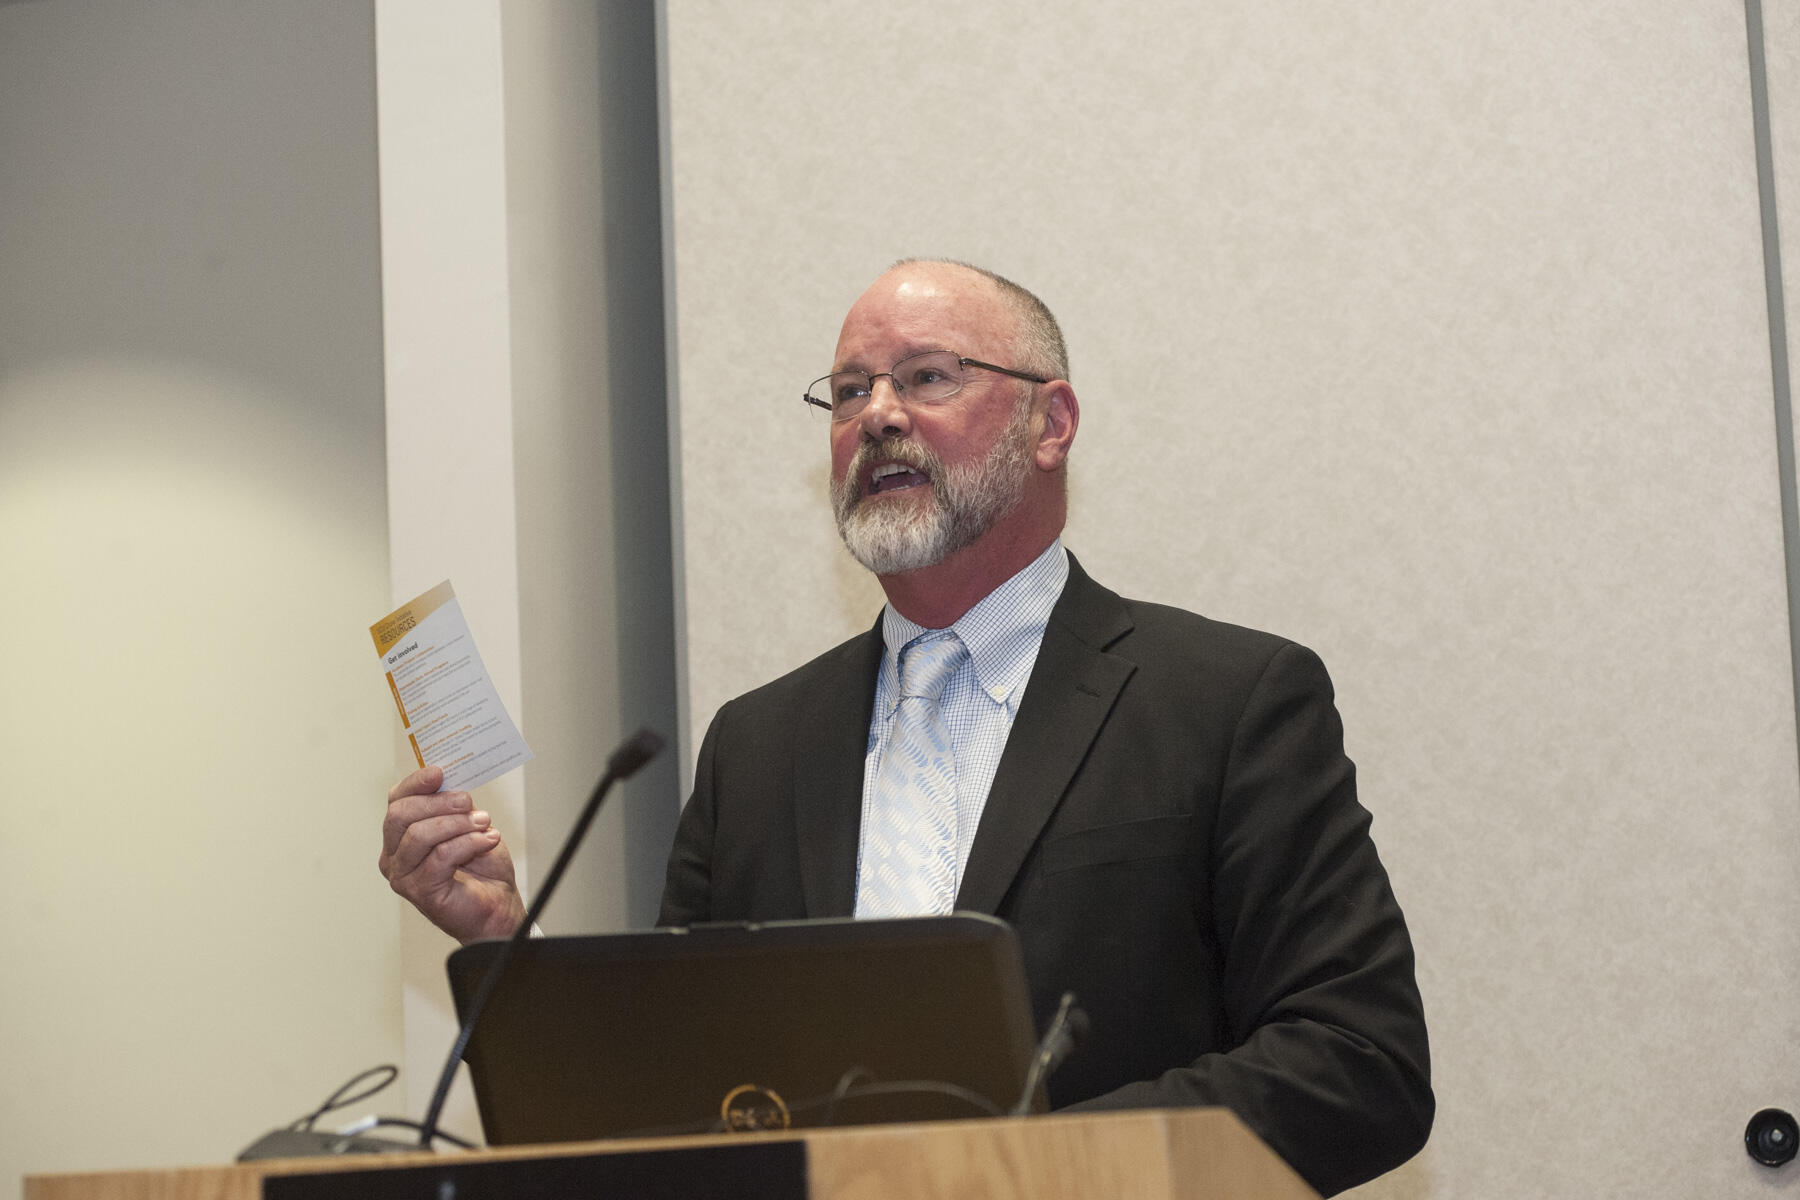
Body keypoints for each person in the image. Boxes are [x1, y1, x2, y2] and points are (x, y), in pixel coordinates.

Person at [381, 259, 1433, 1195]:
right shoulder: (757, 746)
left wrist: (1012, 1178)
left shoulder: (1227, 699)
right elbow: (680, 1106)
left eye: (928, 376)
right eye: (848, 392)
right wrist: (503, 948)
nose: (878, 415)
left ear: (1051, 423)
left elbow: (1358, 1061)